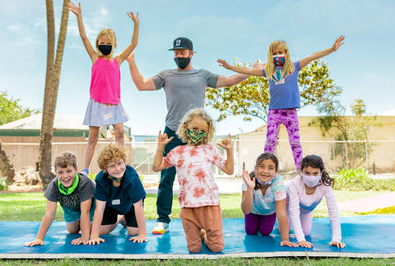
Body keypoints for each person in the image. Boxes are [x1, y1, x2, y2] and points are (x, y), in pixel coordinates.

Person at [126, 37, 251, 234]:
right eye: (176, 53)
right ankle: (163, 220)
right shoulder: (166, 75)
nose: (179, 56)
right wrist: (131, 61)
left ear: (191, 53)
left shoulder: (203, 75)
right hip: (172, 132)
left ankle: (203, 220)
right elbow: (141, 85)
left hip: (197, 134)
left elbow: (229, 81)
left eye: (183, 53)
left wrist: (251, 71)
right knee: (166, 178)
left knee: (201, 175)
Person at [217, 36, 345, 172]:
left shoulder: (295, 67)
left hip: (290, 112)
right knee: (269, 143)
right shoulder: (267, 71)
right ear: (270, 56)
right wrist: (229, 67)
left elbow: (312, 56)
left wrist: (332, 49)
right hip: (274, 112)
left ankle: (301, 172)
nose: (278, 55)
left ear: (286, 53)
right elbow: (248, 71)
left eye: (280, 52)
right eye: (274, 53)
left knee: (295, 143)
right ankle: (267, 170)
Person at [67, 2, 139, 175]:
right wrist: (79, 16)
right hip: (97, 103)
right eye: (102, 42)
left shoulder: (118, 60)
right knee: (92, 137)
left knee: (120, 132)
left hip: (114, 103)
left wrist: (136, 24)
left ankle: (122, 165)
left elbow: (134, 44)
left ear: (114, 45)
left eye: (108, 43)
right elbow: (84, 37)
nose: (104, 45)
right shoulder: (94, 58)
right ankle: (84, 169)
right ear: (98, 43)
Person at [152, 108, 233, 253]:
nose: (198, 133)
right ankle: (201, 233)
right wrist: (160, 148)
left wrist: (230, 151)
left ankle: (205, 233)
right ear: (185, 128)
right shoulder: (177, 152)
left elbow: (229, 170)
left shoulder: (210, 150)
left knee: (216, 248)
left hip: (210, 204)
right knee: (194, 249)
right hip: (188, 206)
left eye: (203, 130)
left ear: (208, 133)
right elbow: (157, 167)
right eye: (194, 128)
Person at [24, 152, 95, 246]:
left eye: (69, 171)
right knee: (72, 231)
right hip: (71, 208)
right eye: (60, 172)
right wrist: (39, 238)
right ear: (56, 173)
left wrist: (84, 238)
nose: (65, 176)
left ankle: (119, 219)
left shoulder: (85, 183)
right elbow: (49, 213)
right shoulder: (54, 185)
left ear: (76, 170)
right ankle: (78, 221)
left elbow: (85, 211)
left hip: (90, 208)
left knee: (91, 229)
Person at [87, 143, 147, 245]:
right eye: (112, 166)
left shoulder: (131, 177)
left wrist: (143, 234)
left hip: (130, 206)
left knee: (133, 232)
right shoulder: (101, 179)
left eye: (120, 163)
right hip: (110, 207)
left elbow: (138, 207)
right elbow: (99, 208)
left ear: (125, 162)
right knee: (102, 231)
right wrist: (94, 236)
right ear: (105, 169)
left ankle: (125, 218)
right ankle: (119, 219)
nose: (118, 168)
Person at [286, 155, 346, 248]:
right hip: (288, 204)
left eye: (315, 173)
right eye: (307, 173)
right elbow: (293, 211)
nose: (311, 177)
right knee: (285, 229)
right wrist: (301, 239)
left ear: (321, 172)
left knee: (306, 232)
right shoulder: (295, 183)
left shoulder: (325, 185)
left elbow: (333, 212)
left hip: (306, 208)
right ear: (301, 171)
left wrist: (336, 239)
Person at [241, 152, 298, 247]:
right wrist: (250, 189)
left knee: (265, 232)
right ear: (256, 168)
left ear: (276, 171)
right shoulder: (249, 180)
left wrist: (285, 239)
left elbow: (281, 212)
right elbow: (246, 210)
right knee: (250, 232)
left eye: (270, 168)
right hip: (252, 211)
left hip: (269, 212)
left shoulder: (278, 183)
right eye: (261, 166)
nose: (265, 171)